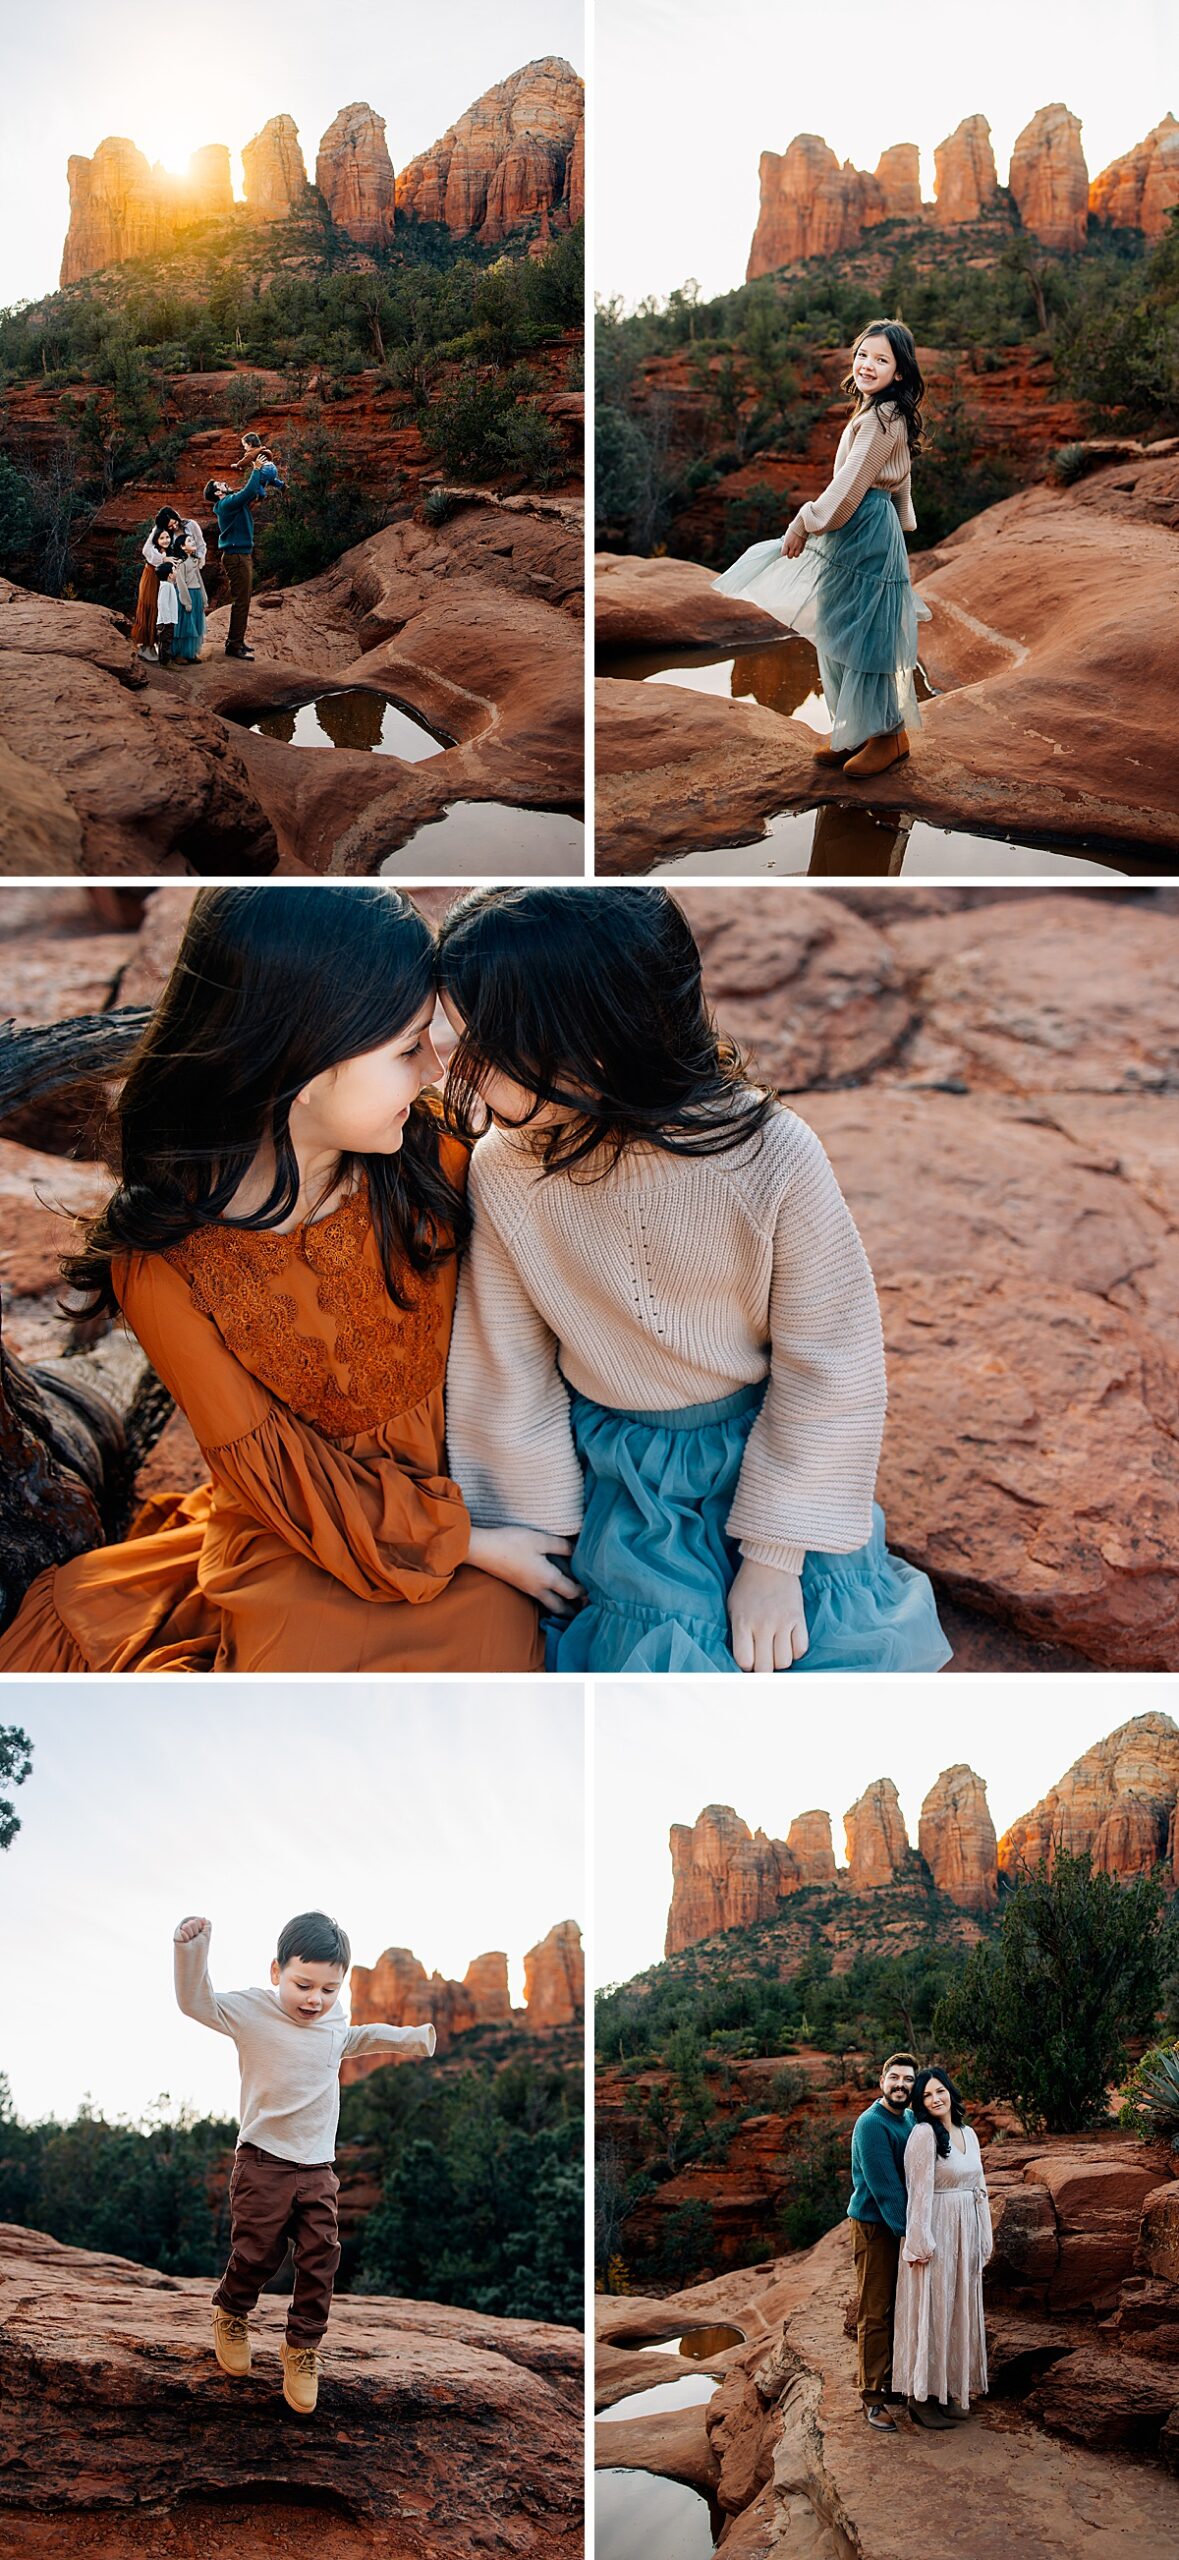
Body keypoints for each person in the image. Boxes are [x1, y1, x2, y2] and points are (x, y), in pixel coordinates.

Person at [0, 885, 555, 1676]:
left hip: (483, 1476)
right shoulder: (162, 1262)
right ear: (299, 1059)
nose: (434, 1072)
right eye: (406, 1050)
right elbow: (272, 1473)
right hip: (300, 1532)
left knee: (497, 1657)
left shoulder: (432, 1158)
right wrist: (474, 1546)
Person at [437, 885, 950, 1676]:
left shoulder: (772, 1152)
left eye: (485, 1050)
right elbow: (504, 1362)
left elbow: (830, 1361)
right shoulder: (505, 1170)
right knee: (670, 1656)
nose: (457, 1074)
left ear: (594, 1041)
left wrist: (775, 1558)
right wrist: (534, 1529)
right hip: (621, 1473)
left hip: (766, 1446)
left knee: (795, 1649)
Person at [174, 1910, 435, 2412]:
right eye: (303, 1984)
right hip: (263, 2161)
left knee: (321, 2258)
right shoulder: (251, 2011)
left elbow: (356, 2039)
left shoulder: (333, 2020)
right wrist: (192, 1949)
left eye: (330, 1989)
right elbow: (195, 2002)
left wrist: (411, 2039)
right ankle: (231, 2311)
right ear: (277, 1973)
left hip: (318, 2168)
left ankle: (302, 2348)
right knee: (258, 2254)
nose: (315, 1999)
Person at [712, 319, 928, 780]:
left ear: (901, 373)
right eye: (863, 355)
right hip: (860, 526)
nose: (868, 365)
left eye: (882, 360)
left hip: (861, 525)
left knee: (862, 634)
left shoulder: (882, 417)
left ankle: (888, 736)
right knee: (839, 626)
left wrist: (803, 523)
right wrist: (901, 518)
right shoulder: (881, 412)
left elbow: (851, 486)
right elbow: (898, 476)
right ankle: (857, 730)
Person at [893, 2066, 993, 2430]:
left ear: (950, 2092)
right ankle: (919, 2398)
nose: (936, 2099)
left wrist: (984, 2235)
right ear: (920, 2104)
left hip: (965, 2232)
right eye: (927, 2096)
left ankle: (948, 2389)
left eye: (940, 2091)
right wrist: (919, 2243)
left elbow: (980, 2187)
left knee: (956, 2310)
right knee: (931, 2310)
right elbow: (918, 2193)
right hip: (935, 2234)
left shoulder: (968, 2133)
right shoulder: (922, 2135)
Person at [847, 2054, 916, 2433]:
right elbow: (887, 2190)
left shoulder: (906, 2119)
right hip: (876, 2228)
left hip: (899, 2227)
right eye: (894, 2078)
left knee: (899, 2309)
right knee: (875, 2313)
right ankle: (872, 2397)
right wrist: (911, 2234)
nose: (901, 2084)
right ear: (881, 2082)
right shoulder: (871, 2124)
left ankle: (892, 2380)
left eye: (908, 2079)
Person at [203, 451, 285, 659]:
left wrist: (267, 479)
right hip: (236, 556)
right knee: (241, 601)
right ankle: (233, 645)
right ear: (218, 493)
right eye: (220, 484)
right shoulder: (225, 504)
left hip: (241, 555)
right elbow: (247, 492)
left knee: (244, 600)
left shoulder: (231, 502)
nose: (224, 484)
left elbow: (252, 492)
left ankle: (236, 642)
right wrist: (256, 468)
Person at [131, 506, 183, 660]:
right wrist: (163, 559)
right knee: (151, 606)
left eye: (175, 523)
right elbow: (147, 551)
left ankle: (155, 645)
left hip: (164, 576)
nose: (173, 526)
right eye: (171, 524)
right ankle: (146, 646)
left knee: (161, 608)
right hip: (152, 575)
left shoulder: (170, 534)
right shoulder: (157, 532)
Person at [171, 517, 209, 662]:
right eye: (190, 542)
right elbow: (180, 583)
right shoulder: (180, 563)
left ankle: (191, 653)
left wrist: (204, 598)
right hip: (184, 596)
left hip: (196, 594)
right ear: (181, 547)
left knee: (195, 624)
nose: (194, 543)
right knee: (184, 625)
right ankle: (179, 654)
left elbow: (199, 580)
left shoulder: (194, 561)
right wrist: (186, 601)